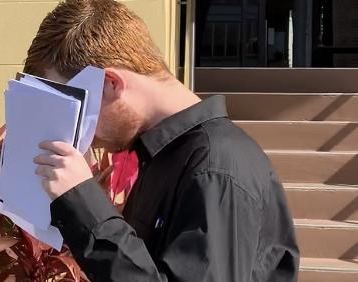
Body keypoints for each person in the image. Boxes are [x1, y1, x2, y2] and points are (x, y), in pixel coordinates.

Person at [27, 0, 299, 281]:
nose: (80, 134)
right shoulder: (169, 156)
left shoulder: (216, 168)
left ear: (110, 83)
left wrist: (83, 203)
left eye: (76, 109)